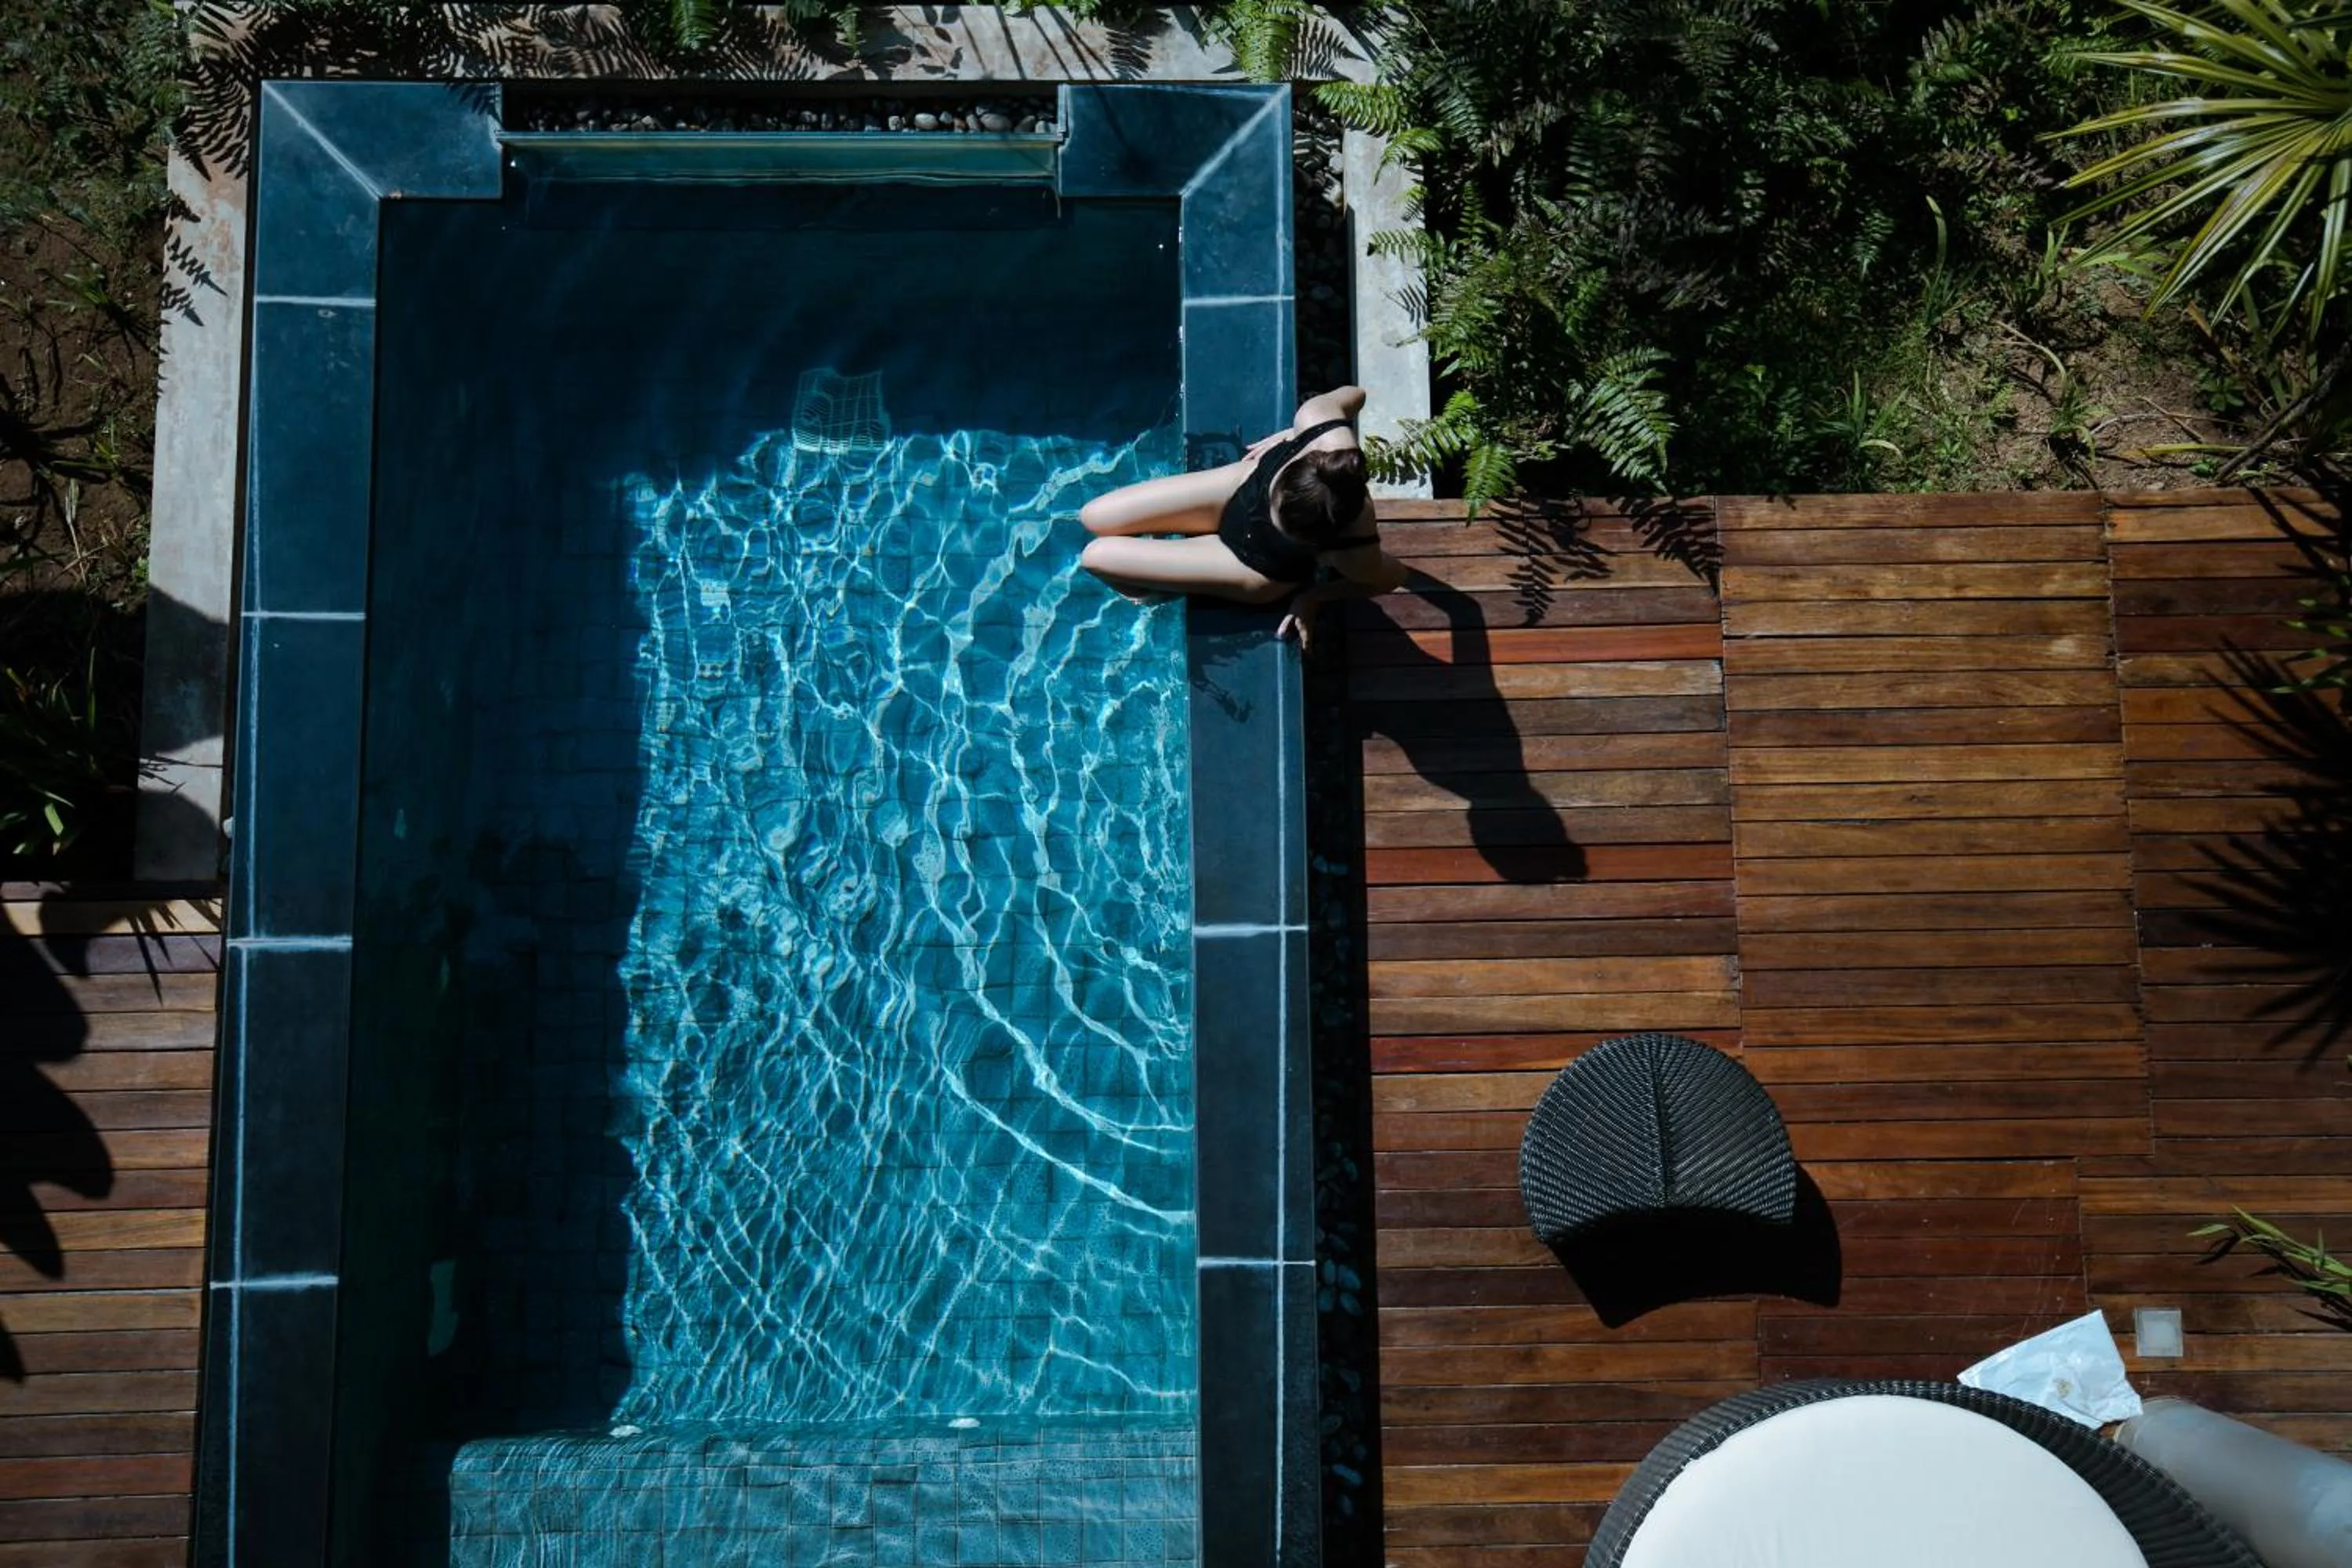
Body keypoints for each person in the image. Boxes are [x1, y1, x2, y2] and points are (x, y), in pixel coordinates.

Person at [1078, 385, 1410, 648]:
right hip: (1238, 489)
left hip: (1254, 564)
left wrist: (1313, 597)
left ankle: (1163, 589)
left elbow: (1391, 576)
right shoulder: (1319, 426)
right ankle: (1172, 565)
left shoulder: (1354, 546)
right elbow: (1356, 393)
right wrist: (1293, 435)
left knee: (1096, 556)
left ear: (1320, 542)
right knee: (1093, 517)